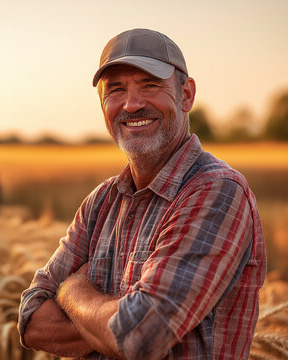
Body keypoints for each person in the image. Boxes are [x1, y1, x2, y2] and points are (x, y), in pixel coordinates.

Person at [17, 28, 266, 359]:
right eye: (116, 90)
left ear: (187, 95)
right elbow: (31, 320)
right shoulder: (100, 202)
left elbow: (139, 337)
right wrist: (114, 320)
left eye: (150, 85)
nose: (132, 104)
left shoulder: (216, 192)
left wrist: (73, 289)